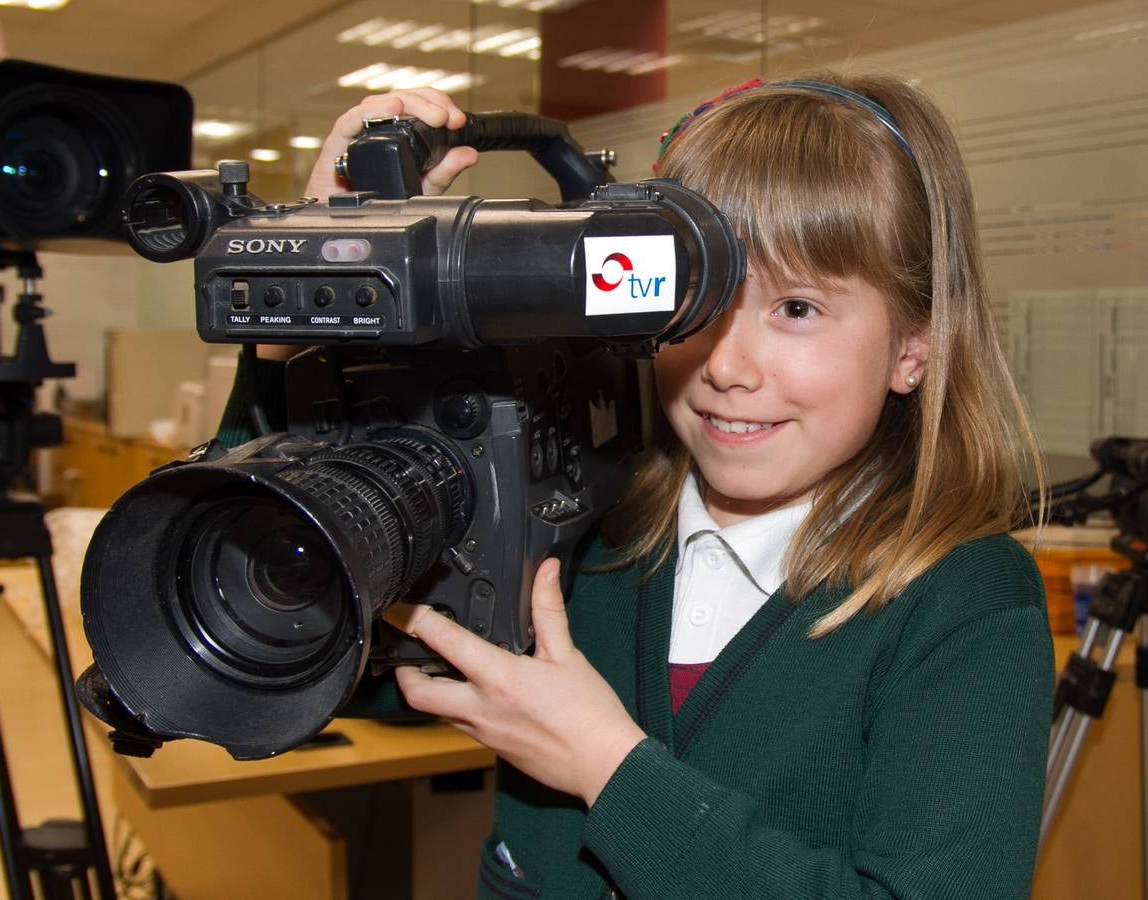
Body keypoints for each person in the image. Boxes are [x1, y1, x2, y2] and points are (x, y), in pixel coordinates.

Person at [228, 75, 1054, 898]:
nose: (728, 368)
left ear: (914, 343)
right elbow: (263, 625)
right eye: (699, 300)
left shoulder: (963, 601)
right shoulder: (586, 530)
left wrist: (606, 767)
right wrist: (306, 299)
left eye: (797, 308)